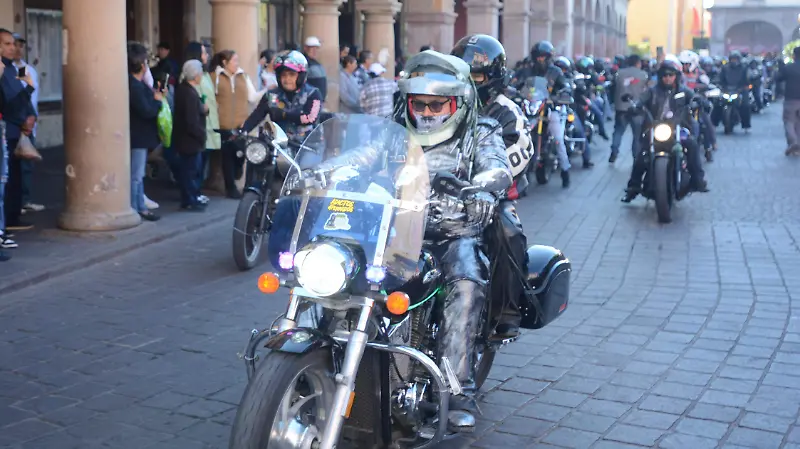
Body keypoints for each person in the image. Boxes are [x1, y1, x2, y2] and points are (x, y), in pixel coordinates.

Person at [450, 34, 532, 340]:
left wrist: (481, 178)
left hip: (491, 195)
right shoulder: (443, 103)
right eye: (463, 74)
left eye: (477, 75)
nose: (470, 82)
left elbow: (519, 151)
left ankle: (507, 310)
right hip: (438, 191)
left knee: (508, 232)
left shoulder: (506, 110)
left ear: (494, 78)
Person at [622, 56, 709, 203]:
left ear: (676, 76)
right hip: (655, 128)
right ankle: (633, 187)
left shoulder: (684, 91)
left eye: (671, 75)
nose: (667, 78)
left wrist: (700, 102)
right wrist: (634, 106)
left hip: (679, 129)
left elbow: (694, 98)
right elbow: (641, 100)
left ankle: (697, 180)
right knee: (641, 155)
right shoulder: (652, 91)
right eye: (664, 75)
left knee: (692, 145)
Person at [209, 49, 266, 198]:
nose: (237, 63)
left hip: (241, 124)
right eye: (234, 60)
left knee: (240, 156)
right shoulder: (215, 77)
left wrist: (267, 91)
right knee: (226, 157)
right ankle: (231, 189)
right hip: (223, 125)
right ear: (225, 62)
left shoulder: (243, 76)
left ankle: (237, 172)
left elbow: (252, 97)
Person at [241, 50, 322, 147]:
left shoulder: (313, 93)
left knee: (308, 162)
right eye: (284, 75)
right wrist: (242, 131)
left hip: (307, 145)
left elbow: (310, 118)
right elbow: (256, 116)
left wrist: (284, 114)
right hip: (279, 146)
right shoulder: (271, 95)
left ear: (301, 75)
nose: (287, 79)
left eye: (292, 75)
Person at [0, 28, 36, 232]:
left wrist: (30, 117)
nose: (13, 48)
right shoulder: (3, 71)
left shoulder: (15, 68)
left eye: (14, 44)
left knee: (16, 176)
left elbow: (23, 94)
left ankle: (13, 216)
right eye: (7, 44)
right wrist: (22, 119)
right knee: (8, 179)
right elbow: (10, 105)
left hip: (18, 130)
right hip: (9, 130)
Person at [527, 41, 573, 187]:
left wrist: (562, 94)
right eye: (538, 57)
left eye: (543, 57)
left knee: (558, 138)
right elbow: (518, 82)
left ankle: (565, 171)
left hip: (550, 108)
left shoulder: (556, 72)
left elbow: (566, 85)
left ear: (549, 58)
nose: (540, 60)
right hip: (532, 109)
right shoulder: (528, 70)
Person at [127, 41, 162, 222]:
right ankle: (136, 207)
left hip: (139, 135)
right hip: (138, 136)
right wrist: (157, 101)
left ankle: (140, 206)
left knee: (138, 174)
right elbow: (147, 110)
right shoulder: (135, 86)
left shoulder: (137, 85)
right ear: (141, 65)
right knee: (136, 175)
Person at [183, 41, 220, 205]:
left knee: (201, 161)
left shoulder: (205, 75)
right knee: (194, 165)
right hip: (198, 124)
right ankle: (193, 194)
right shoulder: (190, 77)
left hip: (209, 121)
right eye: (204, 53)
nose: (206, 56)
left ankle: (197, 191)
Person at [173, 60, 208, 211]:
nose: (201, 75)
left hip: (186, 139)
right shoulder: (189, 93)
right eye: (200, 72)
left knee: (189, 170)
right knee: (190, 172)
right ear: (195, 75)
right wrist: (201, 135)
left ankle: (190, 199)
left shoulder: (184, 89)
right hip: (190, 140)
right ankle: (190, 200)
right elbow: (191, 120)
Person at [554, 55, 594, 169]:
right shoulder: (550, 80)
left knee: (579, 130)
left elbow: (579, 88)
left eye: (563, 69)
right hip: (551, 109)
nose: (561, 71)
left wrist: (579, 85)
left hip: (567, 109)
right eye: (559, 68)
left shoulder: (570, 79)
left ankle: (586, 159)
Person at [679, 50, 717, 161]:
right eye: (683, 64)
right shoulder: (678, 74)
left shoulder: (700, 73)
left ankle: (709, 147)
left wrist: (698, 87)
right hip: (682, 103)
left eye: (687, 64)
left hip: (698, 103)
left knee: (705, 122)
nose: (685, 66)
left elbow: (707, 84)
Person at [610, 54, 649, 163]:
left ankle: (614, 151)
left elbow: (613, 87)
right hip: (637, 108)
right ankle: (636, 156)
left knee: (618, 131)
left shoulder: (619, 73)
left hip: (621, 107)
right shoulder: (643, 75)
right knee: (637, 135)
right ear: (638, 63)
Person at [714, 50, 751, 132]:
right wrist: (718, 85)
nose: (734, 61)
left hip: (740, 90)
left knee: (745, 105)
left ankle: (746, 125)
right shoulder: (725, 68)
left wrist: (744, 87)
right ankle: (714, 124)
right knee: (717, 103)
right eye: (732, 59)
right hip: (727, 90)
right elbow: (720, 78)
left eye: (736, 59)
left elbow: (747, 80)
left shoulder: (744, 68)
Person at [777, 46, 800, 155]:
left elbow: (778, 78)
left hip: (791, 99)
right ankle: (798, 146)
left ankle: (793, 142)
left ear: (794, 56)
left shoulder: (789, 68)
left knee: (789, 122)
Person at [303, 37, 327, 103]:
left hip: (319, 100)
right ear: (306, 48)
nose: (315, 51)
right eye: (312, 48)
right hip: (310, 100)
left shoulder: (317, 63)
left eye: (316, 48)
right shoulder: (304, 63)